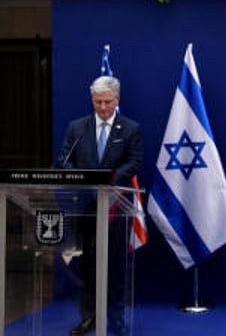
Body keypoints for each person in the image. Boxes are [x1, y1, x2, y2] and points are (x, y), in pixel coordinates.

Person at [56, 75, 142, 336]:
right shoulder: (77, 127)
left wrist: (110, 180)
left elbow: (134, 163)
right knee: (87, 265)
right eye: (97, 102)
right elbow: (64, 159)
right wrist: (83, 179)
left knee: (114, 267)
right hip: (84, 207)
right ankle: (89, 316)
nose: (103, 108)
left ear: (117, 100)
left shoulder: (130, 129)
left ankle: (115, 318)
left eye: (107, 102)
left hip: (115, 207)